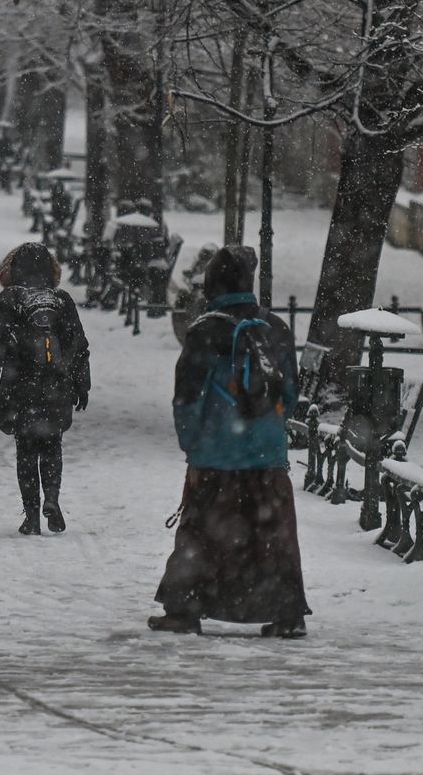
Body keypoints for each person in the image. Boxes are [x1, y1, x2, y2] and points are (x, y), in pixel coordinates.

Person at [150, 245, 309, 638]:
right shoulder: (275, 328)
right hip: (267, 455)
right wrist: (268, 430)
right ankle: (286, 613)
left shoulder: (206, 331)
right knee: (272, 535)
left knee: (202, 533)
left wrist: (193, 447)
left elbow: (187, 399)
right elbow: (289, 393)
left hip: (217, 455)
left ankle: (185, 608)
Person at [0, 244, 90, 534]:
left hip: (19, 385)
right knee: (52, 445)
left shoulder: (10, 298)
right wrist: (81, 383)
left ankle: (32, 516)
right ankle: (52, 497)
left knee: (25, 450)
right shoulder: (62, 300)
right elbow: (78, 346)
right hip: (56, 383)